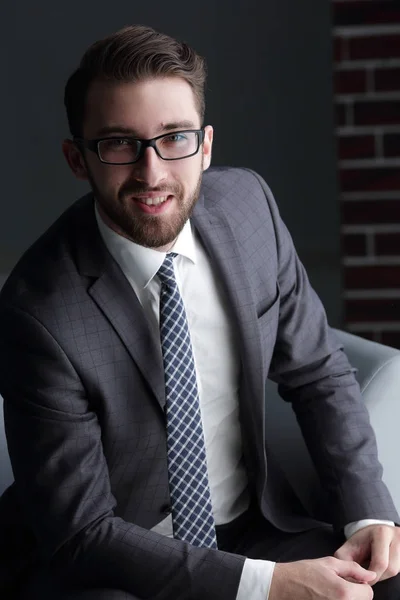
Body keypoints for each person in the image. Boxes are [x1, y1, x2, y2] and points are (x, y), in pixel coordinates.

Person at [0, 24, 399, 600]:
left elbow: (319, 376)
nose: (152, 172)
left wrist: (369, 518)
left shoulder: (250, 210)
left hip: (256, 527)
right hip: (117, 562)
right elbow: (82, 533)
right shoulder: (37, 313)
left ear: (206, 145)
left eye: (175, 138)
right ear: (77, 158)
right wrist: (268, 586)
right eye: (118, 143)